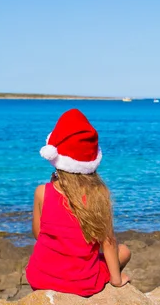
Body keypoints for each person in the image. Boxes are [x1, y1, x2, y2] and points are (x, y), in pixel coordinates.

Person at [26, 109, 131, 296]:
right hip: (81, 284)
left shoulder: (42, 192)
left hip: (40, 278)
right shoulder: (98, 194)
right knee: (123, 251)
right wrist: (116, 280)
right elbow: (108, 242)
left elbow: (38, 234)